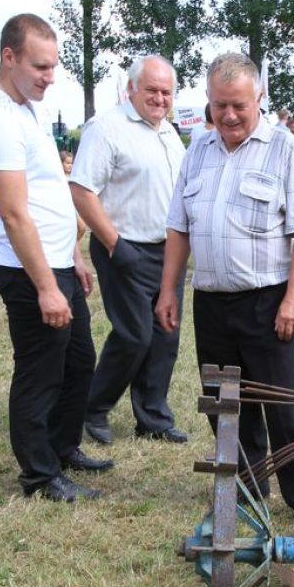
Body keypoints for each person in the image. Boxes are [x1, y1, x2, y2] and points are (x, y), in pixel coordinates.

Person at [156, 51, 294, 522]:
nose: (228, 115)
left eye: (238, 105)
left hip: (267, 301)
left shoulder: (283, 149)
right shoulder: (198, 150)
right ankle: (249, 486)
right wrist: (168, 290)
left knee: (282, 405)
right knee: (224, 404)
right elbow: (178, 227)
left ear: (259, 98)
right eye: (218, 105)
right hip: (210, 302)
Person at [0, 13, 106, 502]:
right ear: (9, 57)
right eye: (40, 66)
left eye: (54, 67)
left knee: (79, 362)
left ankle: (63, 449)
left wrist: (73, 256)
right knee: (41, 373)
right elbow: (13, 212)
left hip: (59, 263)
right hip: (27, 271)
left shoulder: (29, 109)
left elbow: (49, 193)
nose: (50, 77)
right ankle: (39, 476)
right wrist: (46, 285)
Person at [70, 55, 187, 445]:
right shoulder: (106, 128)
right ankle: (93, 406)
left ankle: (153, 417)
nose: (159, 98)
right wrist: (115, 245)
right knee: (134, 335)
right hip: (123, 247)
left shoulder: (169, 133)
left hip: (167, 250)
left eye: (166, 92)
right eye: (151, 90)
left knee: (165, 333)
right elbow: (82, 190)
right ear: (131, 89)